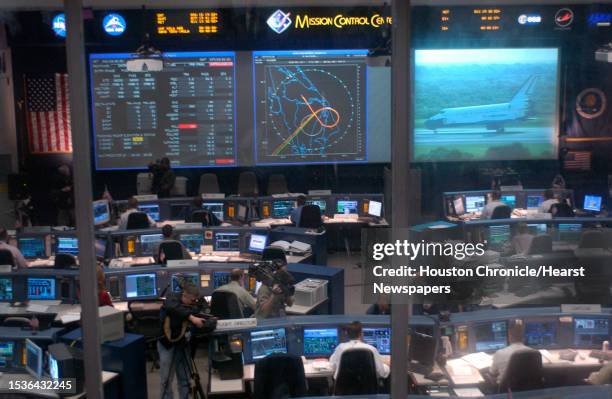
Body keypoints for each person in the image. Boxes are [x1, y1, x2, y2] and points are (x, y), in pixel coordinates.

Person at [158, 282, 215, 399]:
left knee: (184, 378)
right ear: (184, 295)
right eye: (192, 300)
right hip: (167, 345)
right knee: (166, 380)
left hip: (183, 345)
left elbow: (201, 312)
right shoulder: (172, 298)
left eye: (195, 300)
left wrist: (208, 319)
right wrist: (192, 317)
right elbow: (172, 307)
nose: (194, 303)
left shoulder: (191, 306)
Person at [488, 322, 531, 386]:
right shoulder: (533, 352)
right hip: (528, 390)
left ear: (509, 335)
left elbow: (492, 373)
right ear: (523, 336)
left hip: (506, 391)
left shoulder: (499, 353)